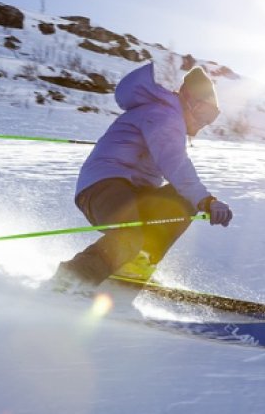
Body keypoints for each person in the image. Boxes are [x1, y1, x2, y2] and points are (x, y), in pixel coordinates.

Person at [49, 62, 233, 293]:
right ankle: (70, 281)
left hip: (133, 190)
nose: (203, 123)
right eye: (203, 113)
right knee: (130, 234)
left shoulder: (165, 115)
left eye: (211, 117)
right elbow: (175, 163)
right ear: (187, 98)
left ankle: (131, 273)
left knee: (180, 199)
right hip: (103, 186)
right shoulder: (164, 114)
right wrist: (206, 199)